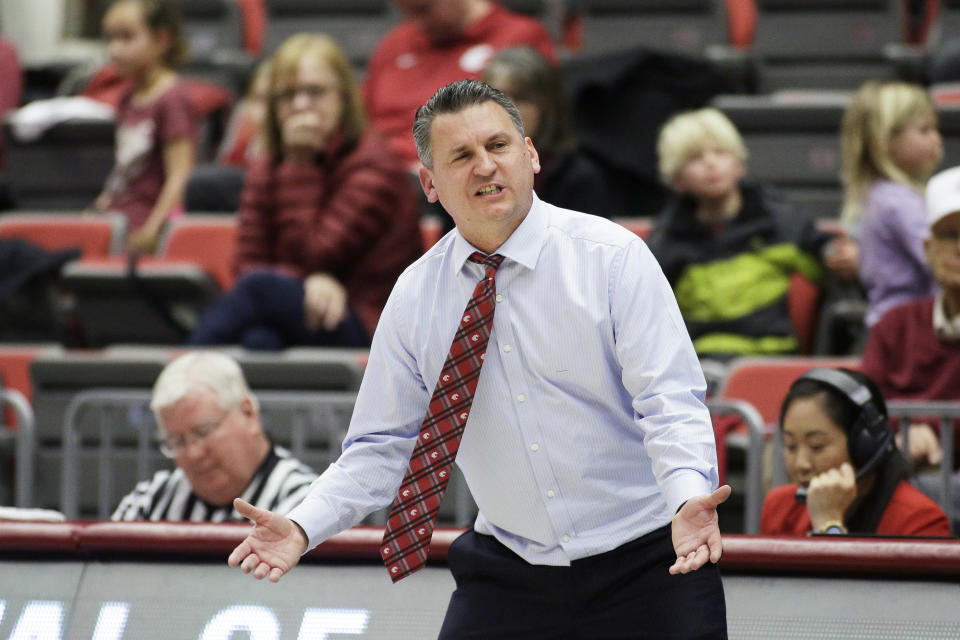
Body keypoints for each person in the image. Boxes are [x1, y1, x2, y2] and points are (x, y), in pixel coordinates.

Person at [227, 79, 729, 639]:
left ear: (531, 155)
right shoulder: (415, 295)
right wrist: (302, 525)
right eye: (461, 156)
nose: (485, 166)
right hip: (509, 572)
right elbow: (380, 446)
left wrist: (688, 495)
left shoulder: (613, 258)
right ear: (429, 183)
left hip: (651, 558)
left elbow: (669, 399)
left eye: (498, 146)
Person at [188, 34, 423, 350]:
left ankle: (177, 373)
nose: (300, 106)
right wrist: (307, 281)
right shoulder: (267, 164)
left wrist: (299, 163)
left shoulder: (375, 168)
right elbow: (247, 262)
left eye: (315, 92)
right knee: (259, 342)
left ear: (344, 98)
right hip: (301, 307)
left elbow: (316, 253)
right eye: (287, 96)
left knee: (260, 292)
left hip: (369, 320)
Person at [648, 107, 859, 359]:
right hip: (700, 362)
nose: (710, 163)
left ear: (739, 164)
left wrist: (838, 254)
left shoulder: (777, 219)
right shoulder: (668, 239)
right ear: (677, 179)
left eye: (720, 152)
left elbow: (818, 249)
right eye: (694, 158)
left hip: (772, 354)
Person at [860, 165, 960, 524]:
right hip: (904, 474)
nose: (959, 249)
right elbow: (863, 411)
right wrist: (900, 433)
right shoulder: (894, 325)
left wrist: (927, 429)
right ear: (928, 249)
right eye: (950, 235)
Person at [112, 351, 318, 522]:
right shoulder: (149, 501)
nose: (193, 453)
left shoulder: (308, 506)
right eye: (177, 441)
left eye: (203, 432)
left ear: (248, 414)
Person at [365, 0, 555, 170]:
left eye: (423, 9)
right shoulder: (394, 44)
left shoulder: (518, 37)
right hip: (384, 175)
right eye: (405, 12)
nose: (414, 22)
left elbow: (527, 130)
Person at [760, 368, 950, 537]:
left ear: (865, 446)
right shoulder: (779, 507)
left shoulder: (921, 521)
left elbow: (833, 579)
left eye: (817, 446)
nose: (801, 464)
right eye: (791, 446)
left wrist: (828, 524)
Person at [92, 0, 197, 253]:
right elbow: (124, 170)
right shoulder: (128, 96)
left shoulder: (172, 98)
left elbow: (180, 176)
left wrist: (152, 232)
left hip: (142, 227)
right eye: (111, 39)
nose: (114, 50)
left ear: (162, 40)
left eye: (126, 38)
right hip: (117, 219)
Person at [840, 80, 943, 327]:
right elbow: (940, 262)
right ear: (885, 139)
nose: (936, 139)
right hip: (908, 332)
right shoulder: (898, 202)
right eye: (924, 130)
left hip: (890, 325)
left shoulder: (876, 195)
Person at [482, 46, 611, 219]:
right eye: (498, 97)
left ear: (547, 106)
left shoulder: (581, 178)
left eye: (521, 98)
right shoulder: (467, 171)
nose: (507, 109)